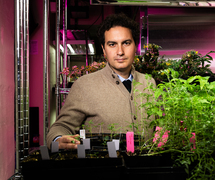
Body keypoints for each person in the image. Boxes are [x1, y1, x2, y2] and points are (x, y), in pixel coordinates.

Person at [46, 13, 156, 149]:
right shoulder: (85, 85)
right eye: (112, 44)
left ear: (135, 46)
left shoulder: (149, 82)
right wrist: (58, 139)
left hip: (147, 168)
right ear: (104, 50)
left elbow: (161, 124)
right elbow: (61, 127)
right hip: (106, 168)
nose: (120, 51)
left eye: (126, 43)